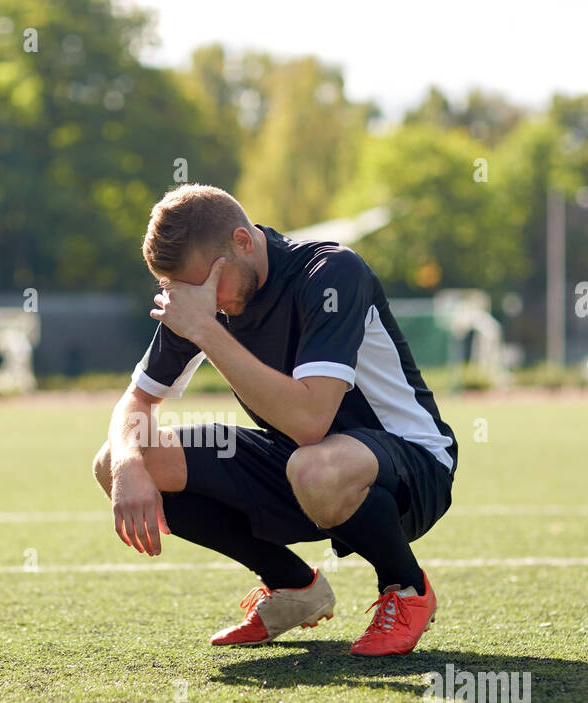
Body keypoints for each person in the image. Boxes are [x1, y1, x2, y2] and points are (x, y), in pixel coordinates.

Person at [93, 184, 456, 656]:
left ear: (242, 242)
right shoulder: (203, 295)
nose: (205, 301)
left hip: (410, 463)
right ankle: (292, 588)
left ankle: (407, 588)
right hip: (299, 463)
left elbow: (311, 420)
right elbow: (135, 403)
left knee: (315, 466)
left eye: (206, 286)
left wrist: (205, 329)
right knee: (119, 458)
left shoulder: (331, 273)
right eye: (183, 291)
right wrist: (126, 467)